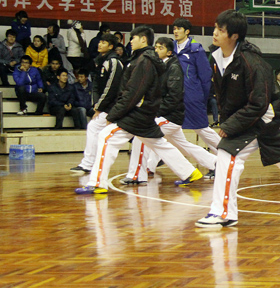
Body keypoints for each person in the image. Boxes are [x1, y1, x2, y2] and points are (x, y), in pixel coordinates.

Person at [196, 10, 280, 228]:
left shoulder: (252, 63)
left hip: (260, 118)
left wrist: (230, 125)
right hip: (250, 117)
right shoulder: (217, 58)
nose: (215, 33)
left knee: (227, 155)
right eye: (215, 28)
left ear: (235, 35)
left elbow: (258, 103)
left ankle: (223, 212)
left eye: (221, 30)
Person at [75, 26, 203, 194]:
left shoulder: (145, 61)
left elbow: (134, 92)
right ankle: (189, 172)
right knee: (158, 143)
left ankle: (98, 183)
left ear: (143, 40)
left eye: (133, 38)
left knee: (106, 137)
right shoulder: (142, 59)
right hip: (146, 112)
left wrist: (114, 115)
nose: (130, 41)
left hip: (139, 112)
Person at [122, 37, 217, 184]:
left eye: (161, 48)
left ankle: (137, 175)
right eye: (156, 47)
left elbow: (173, 97)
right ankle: (214, 163)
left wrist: (155, 112)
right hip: (167, 116)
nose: (157, 50)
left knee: (141, 136)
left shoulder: (173, 68)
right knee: (183, 145)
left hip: (171, 116)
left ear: (169, 52)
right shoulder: (159, 66)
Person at [172, 18, 221, 174]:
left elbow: (206, 76)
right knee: (167, 130)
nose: (175, 31)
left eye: (179, 28)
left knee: (201, 129)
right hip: (174, 96)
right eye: (174, 28)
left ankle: (226, 154)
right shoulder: (171, 48)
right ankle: (151, 164)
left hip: (193, 96)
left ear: (187, 31)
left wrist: (201, 96)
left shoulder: (195, 49)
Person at [70, 33, 123, 174]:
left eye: (104, 43)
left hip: (115, 106)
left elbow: (112, 87)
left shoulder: (114, 62)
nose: (100, 44)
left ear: (111, 46)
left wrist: (99, 107)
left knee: (94, 127)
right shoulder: (99, 61)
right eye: (100, 42)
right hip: (109, 106)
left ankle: (88, 164)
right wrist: (96, 104)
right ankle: (155, 156)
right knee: (136, 134)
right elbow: (96, 86)